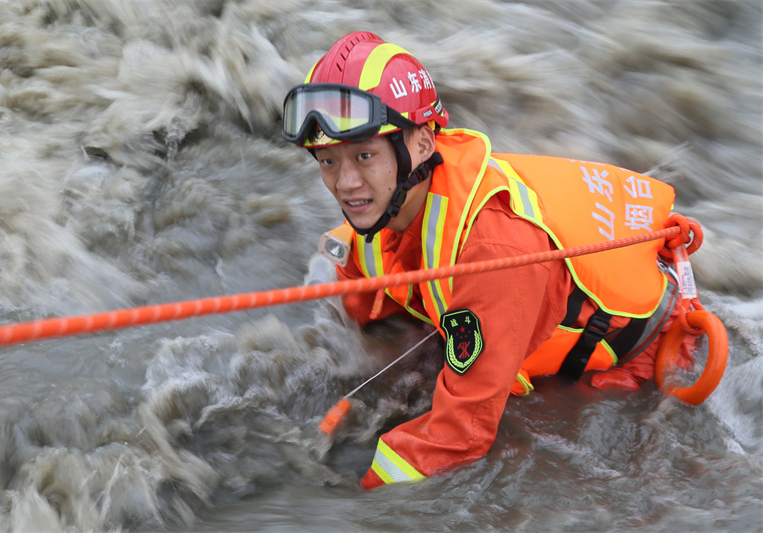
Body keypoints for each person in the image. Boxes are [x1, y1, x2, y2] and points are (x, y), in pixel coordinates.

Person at [282, 31, 696, 490]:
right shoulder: (383, 208)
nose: (345, 183)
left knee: (534, 457)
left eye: (363, 155)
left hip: (637, 356)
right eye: (327, 161)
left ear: (421, 143)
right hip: (515, 294)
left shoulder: (495, 255)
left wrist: (346, 506)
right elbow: (361, 304)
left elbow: (460, 436)